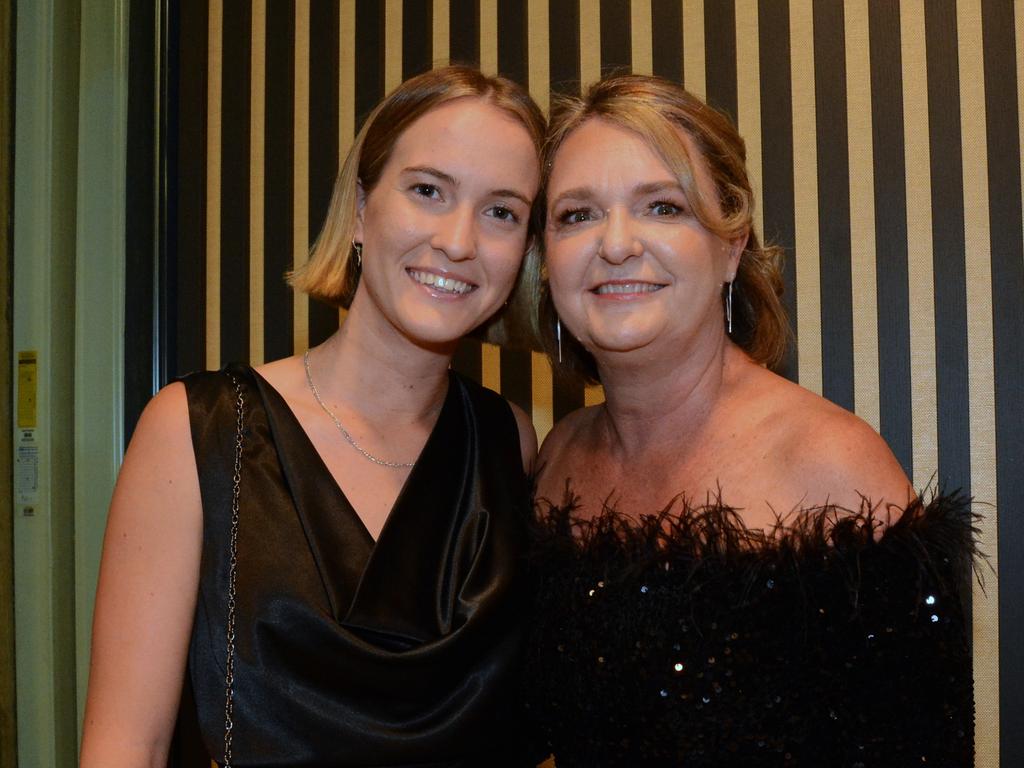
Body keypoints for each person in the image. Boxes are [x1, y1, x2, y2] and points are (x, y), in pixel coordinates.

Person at [81, 66, 544, 767]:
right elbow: (127, 747)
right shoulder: (198, 431)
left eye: (501, 211)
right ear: (361, 208)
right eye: (428, 191)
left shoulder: (510, 440)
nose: (459, 240)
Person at [519, 75, 975, 766]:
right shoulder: (555, 462)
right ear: (546, 262)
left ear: (731, 246)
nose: (615, 244)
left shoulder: (831, 467)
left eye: (663, 207)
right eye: (577, 214)